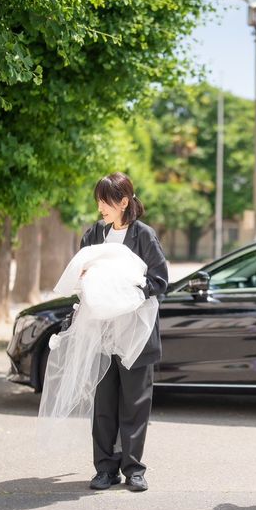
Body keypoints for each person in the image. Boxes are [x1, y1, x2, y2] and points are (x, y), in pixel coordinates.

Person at [81, 172, 169, 492]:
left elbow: (159, 280)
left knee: (135, 404)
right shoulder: (95, 234)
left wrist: (125, 291)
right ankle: (105, 469)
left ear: (123, 202)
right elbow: (82, 271)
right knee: (104, 405)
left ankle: (134, 469)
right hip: (103, 333)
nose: (100, 207)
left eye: (105, 201)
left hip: (136, 333)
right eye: (98, 201)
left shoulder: (144, 235)